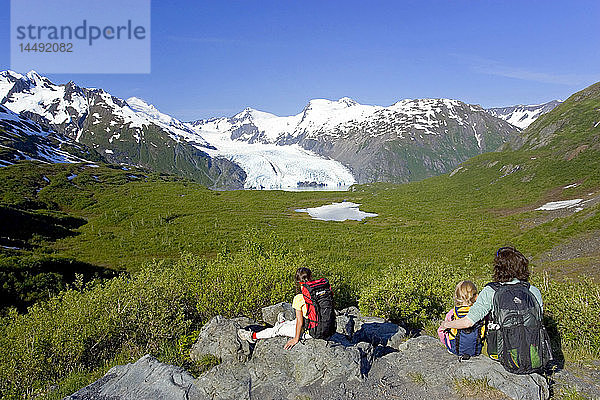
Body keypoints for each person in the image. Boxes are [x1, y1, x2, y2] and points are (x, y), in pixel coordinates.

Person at [438, 246, 543, 352]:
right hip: (531, 350)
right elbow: (538, 320)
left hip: (502, 352)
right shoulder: (533, 291)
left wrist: (446, 325)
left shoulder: (491, 291)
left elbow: (467, 323)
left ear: (498, 268)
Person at [238, 267, 313, 350]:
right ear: (311, 277)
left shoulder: (299, 298)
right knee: (294, 321)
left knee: (278, 330)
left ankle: (253, 336)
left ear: (298, 282)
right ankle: (284, 323)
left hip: (311, 332)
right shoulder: (323, 292)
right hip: (323, 328)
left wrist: (296, 339)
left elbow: (300, 322)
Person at [437, 280, 481, 354]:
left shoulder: (453, 313)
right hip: (476, 349)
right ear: (475, 296)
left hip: (455, 349)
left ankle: (451, 348)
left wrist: (446, 344)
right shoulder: (479, 312)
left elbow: (440, 331)